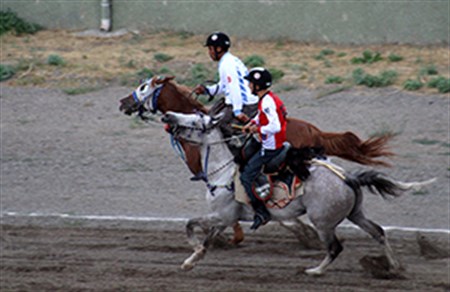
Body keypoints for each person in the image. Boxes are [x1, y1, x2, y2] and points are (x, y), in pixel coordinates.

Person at [240, 67, 288, 230]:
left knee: (246, 176)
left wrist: (257, 130)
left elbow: (274, 126)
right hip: (269, 142)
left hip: (271, 147)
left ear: (258, 86)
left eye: (251, 84)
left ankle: (261, 212)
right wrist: (252, 123)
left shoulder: (267, 101)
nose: (249, 86)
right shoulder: (268, 98)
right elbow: (261, 117)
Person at [193, 32, 259, 136]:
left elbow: (234, 88)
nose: (209, 52)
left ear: (218, 49)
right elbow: (223, 86)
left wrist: (238, 112)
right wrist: (206, 90)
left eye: (210, 49)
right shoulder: (227, 61)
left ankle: (240, 143)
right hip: (238, 101)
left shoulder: (227, 64)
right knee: (211, 116)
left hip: (246, 104)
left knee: (220, 124)